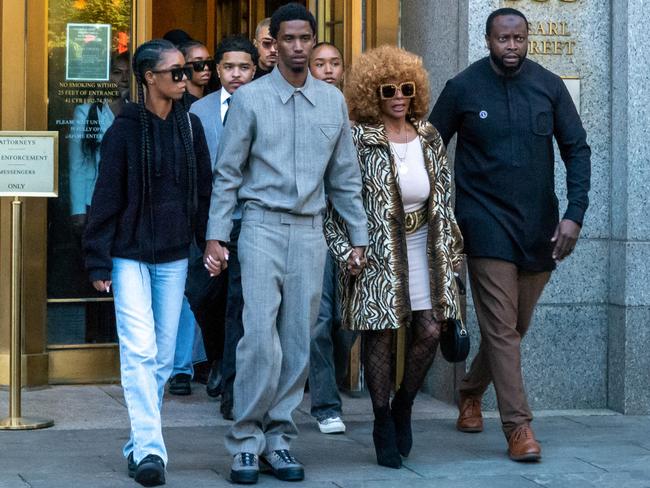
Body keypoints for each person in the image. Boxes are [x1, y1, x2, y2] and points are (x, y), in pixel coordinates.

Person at [203, 3, 368, 484]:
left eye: (305, 38)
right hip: (259, 226)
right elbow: (228, 174)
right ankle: (246, 442)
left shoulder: (333, 103)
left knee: (298, 338)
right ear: (273, 44)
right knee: (259, 337)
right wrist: (217, 234)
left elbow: (345, 178)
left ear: (313, 42)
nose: (298, 46)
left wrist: (358, 235)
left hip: (310, 230)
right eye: (288, 39)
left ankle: (279, 439)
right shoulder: (251, 99)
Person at [429, 7, 591, 462]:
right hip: (483, 224)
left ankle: (470, 389)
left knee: (513, 328)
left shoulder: (549, 86)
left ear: (528, 38)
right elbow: (427, 149)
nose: (512, 47)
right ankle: (519, 428)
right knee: (502, 328)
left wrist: (574, 215)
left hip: (540, 227)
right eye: (503, 39)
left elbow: (577, 149)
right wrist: (439, 216)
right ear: (487, 40)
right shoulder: (462, 87)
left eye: (519, 38)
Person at [325, 45, 463, 469]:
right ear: (373, 94)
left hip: (427, 246)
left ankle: (404, 404)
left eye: (406, 88)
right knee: (380, 336)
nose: (399, 96)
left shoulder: (429, 136)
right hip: (376, 253)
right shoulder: (357, 138)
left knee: (429, 329)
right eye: (388, 89)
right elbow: (334, 200)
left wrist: (454, 253)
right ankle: (382, 420)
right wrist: (344, 248)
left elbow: (443, 197)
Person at [83, 39, 212, 486]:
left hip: (174, 256)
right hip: (128, 256)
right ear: (149, 78)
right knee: (139, 350)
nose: (185, 78)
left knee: (159, 355)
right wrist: (98, 261)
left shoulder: (189, 128)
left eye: (187, 71)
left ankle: (139, 441)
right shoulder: (124, 130)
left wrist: (209, 243)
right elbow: (105, 197)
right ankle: (152, 452)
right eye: (176, 72)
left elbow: (203, 195)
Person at [189, 35, 258, 413]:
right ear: (217, 71)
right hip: (210, 222)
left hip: (250, 221)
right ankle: (216, 357)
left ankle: (232, 392)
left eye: (244, 67)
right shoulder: (198, 112)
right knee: (202, 294)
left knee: (239, 305)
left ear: (255, 69)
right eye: (229, 67)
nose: (236, 75)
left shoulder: (266, 107)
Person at [307, 41, 351, 435]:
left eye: (334, 63)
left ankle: (331, 377)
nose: (328, 69)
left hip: (354, 227)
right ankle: (325, 404)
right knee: (319, 319)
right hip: (314, 226)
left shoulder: (361, 114)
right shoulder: (304, 109)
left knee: (348, 320)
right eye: (319, 63)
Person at [167, 38, 215, 396]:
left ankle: (184, 366)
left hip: (191, 220)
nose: (192, 75)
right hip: (152, 227)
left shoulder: (195, 116)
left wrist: (206, 231)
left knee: (189, 294)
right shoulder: (139, 118)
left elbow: (203, 181)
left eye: (200, 66)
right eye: (185, 68)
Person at [69, 52, 130, 230]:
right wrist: (78, 209)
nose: (124, 78)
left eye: (129, 72)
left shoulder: (136, 110)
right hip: (95, 198)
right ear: (106, 76)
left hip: (131, 200)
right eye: (117, 72)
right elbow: (77, 163)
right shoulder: (86, 112)